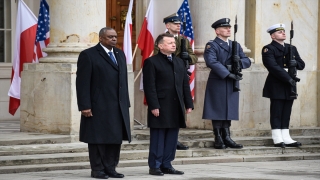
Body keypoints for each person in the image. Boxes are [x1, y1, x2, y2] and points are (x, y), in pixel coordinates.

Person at [76, 27, 131, 179]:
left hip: (117, 105)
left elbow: (123, 81)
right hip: (98, 105)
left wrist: (126, 102)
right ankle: (97, 169)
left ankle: (111, 168)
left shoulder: (120, 54)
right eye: (110, 37)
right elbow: (82, 83)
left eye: (115, 36)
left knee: (115, 138)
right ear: (101, 38)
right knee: (98, 139)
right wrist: (84, 105)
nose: (114, 39)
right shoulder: (88, 55)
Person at [143, 33, 194, 176]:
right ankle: (155, 165)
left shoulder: (179, 62)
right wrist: (153, 105)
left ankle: (167, 164)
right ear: (160, 46)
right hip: (160, 105)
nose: (174, 44)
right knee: (158, 137)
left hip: (175, 105)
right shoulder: (151, 62)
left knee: (172, 136)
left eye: (174, 42)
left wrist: (188, 104)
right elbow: (150, 86)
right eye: (170, 42)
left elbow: (185, 84)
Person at [202, 18, 251, 149]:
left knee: (229, 108)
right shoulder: (212, 45)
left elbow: (247, 60)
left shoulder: (235, 45)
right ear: (217, 31)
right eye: (225, 28)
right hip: (219, 79)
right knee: (217, 109)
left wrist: (238, 63)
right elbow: (211, 62)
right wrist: (227, 73)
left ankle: (227, 137)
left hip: (232, 80)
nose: (228, 29)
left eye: (229, 27)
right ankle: (218, 137)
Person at [153, 13, 198, 150]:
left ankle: (174, 138)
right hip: (166, 76)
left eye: (179, 23)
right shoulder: (161, 39)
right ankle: (170, 141)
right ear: (167, 25)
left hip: (180, 74)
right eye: (175, 23)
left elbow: (194, 57)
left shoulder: (184, 39)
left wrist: (187, 58)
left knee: (177, 108)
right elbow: (157, 56)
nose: (178, 25)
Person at [262, 23, 305, 148]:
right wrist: (288, 78)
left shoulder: (292, 47)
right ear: (273, 36)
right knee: (276, 110)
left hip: (290, 83)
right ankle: (277, 137)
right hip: (277, 83)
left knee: (287, 110)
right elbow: (273, 67)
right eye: (280, 32)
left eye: (284, 31)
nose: (284, 33)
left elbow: (302, 65)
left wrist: (295, 62)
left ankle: (286, 137)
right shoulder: (268, 49)